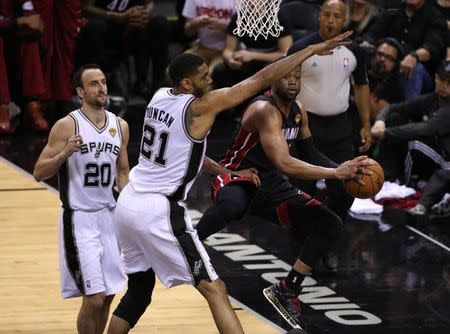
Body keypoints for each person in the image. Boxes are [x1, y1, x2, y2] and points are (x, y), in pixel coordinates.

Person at [106, 31, 359, 334]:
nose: (210, 78)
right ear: (187, 84)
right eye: (203, 75)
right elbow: (260, 79)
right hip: (157, 210)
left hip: (128, 204)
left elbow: (184, 153)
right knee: (216, 290)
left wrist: (227, 171)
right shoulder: (201, 107)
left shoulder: (160, 96)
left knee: (138, 294)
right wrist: (311, 49)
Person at [194, 66, 371, 329]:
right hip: (236, 174)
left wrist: (347, 170)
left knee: (330, 222)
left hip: (271, 183)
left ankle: (287, 289)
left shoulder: (299, 112)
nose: (292, 82)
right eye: (287, 76)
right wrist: (335, 172)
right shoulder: (263, 110)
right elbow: (286, 163)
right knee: (233, 205)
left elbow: (310, 155)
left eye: (297, 77)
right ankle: (188, 245)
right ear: (273, 79)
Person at [33, 64, 130, 334]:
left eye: (103, 82)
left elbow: (123, 170)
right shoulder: (67, 125)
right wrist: (64, 153)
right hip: (79, 219)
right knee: (94, 298)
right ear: (80, 91)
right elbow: (39, 172)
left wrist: (127, 205)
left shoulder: (119, 125)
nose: (102, 88)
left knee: (109, 295)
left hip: (110, 218)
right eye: (94, 84)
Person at [286, 0, 372, 270]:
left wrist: (366, 124)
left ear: (345, 20)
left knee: (345, 191)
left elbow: (361, 87)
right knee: (302, 192)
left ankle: (325, 243)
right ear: (319, 16)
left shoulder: (355, 51)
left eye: (337, 16)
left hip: (339, 129)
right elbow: (284, 86)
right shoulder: (301, 48)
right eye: (327, 14)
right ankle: (302, 248)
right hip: (305, 129)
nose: (331, 20)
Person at [371, 59, 450, 184]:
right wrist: (380, 122)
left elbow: (427, 128)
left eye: (449, 82)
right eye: (442, 79)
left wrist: (385, 133)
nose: (445, 85)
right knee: (396, 119)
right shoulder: (430, 99)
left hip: (447, 162)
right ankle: (388, 176)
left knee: (414, 142)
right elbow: (393, 108)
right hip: (432, 155)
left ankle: (403, 184)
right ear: (436, 78)